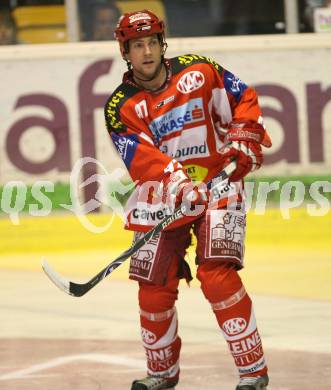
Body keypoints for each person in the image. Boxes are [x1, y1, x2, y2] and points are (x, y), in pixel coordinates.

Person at [104, 9, 272, 390]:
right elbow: (141, 158)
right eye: (136, 46)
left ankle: (253, 371)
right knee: (154, 287)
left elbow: (242, 96)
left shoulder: (199, 71)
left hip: (218, 186)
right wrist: (177, 182)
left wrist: (244, 134)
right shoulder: (120, 107)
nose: (146, 52)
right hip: (163, 195)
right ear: (125, 53)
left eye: (151, 43)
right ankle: (162, 373)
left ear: (163, 44)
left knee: (217, 277)